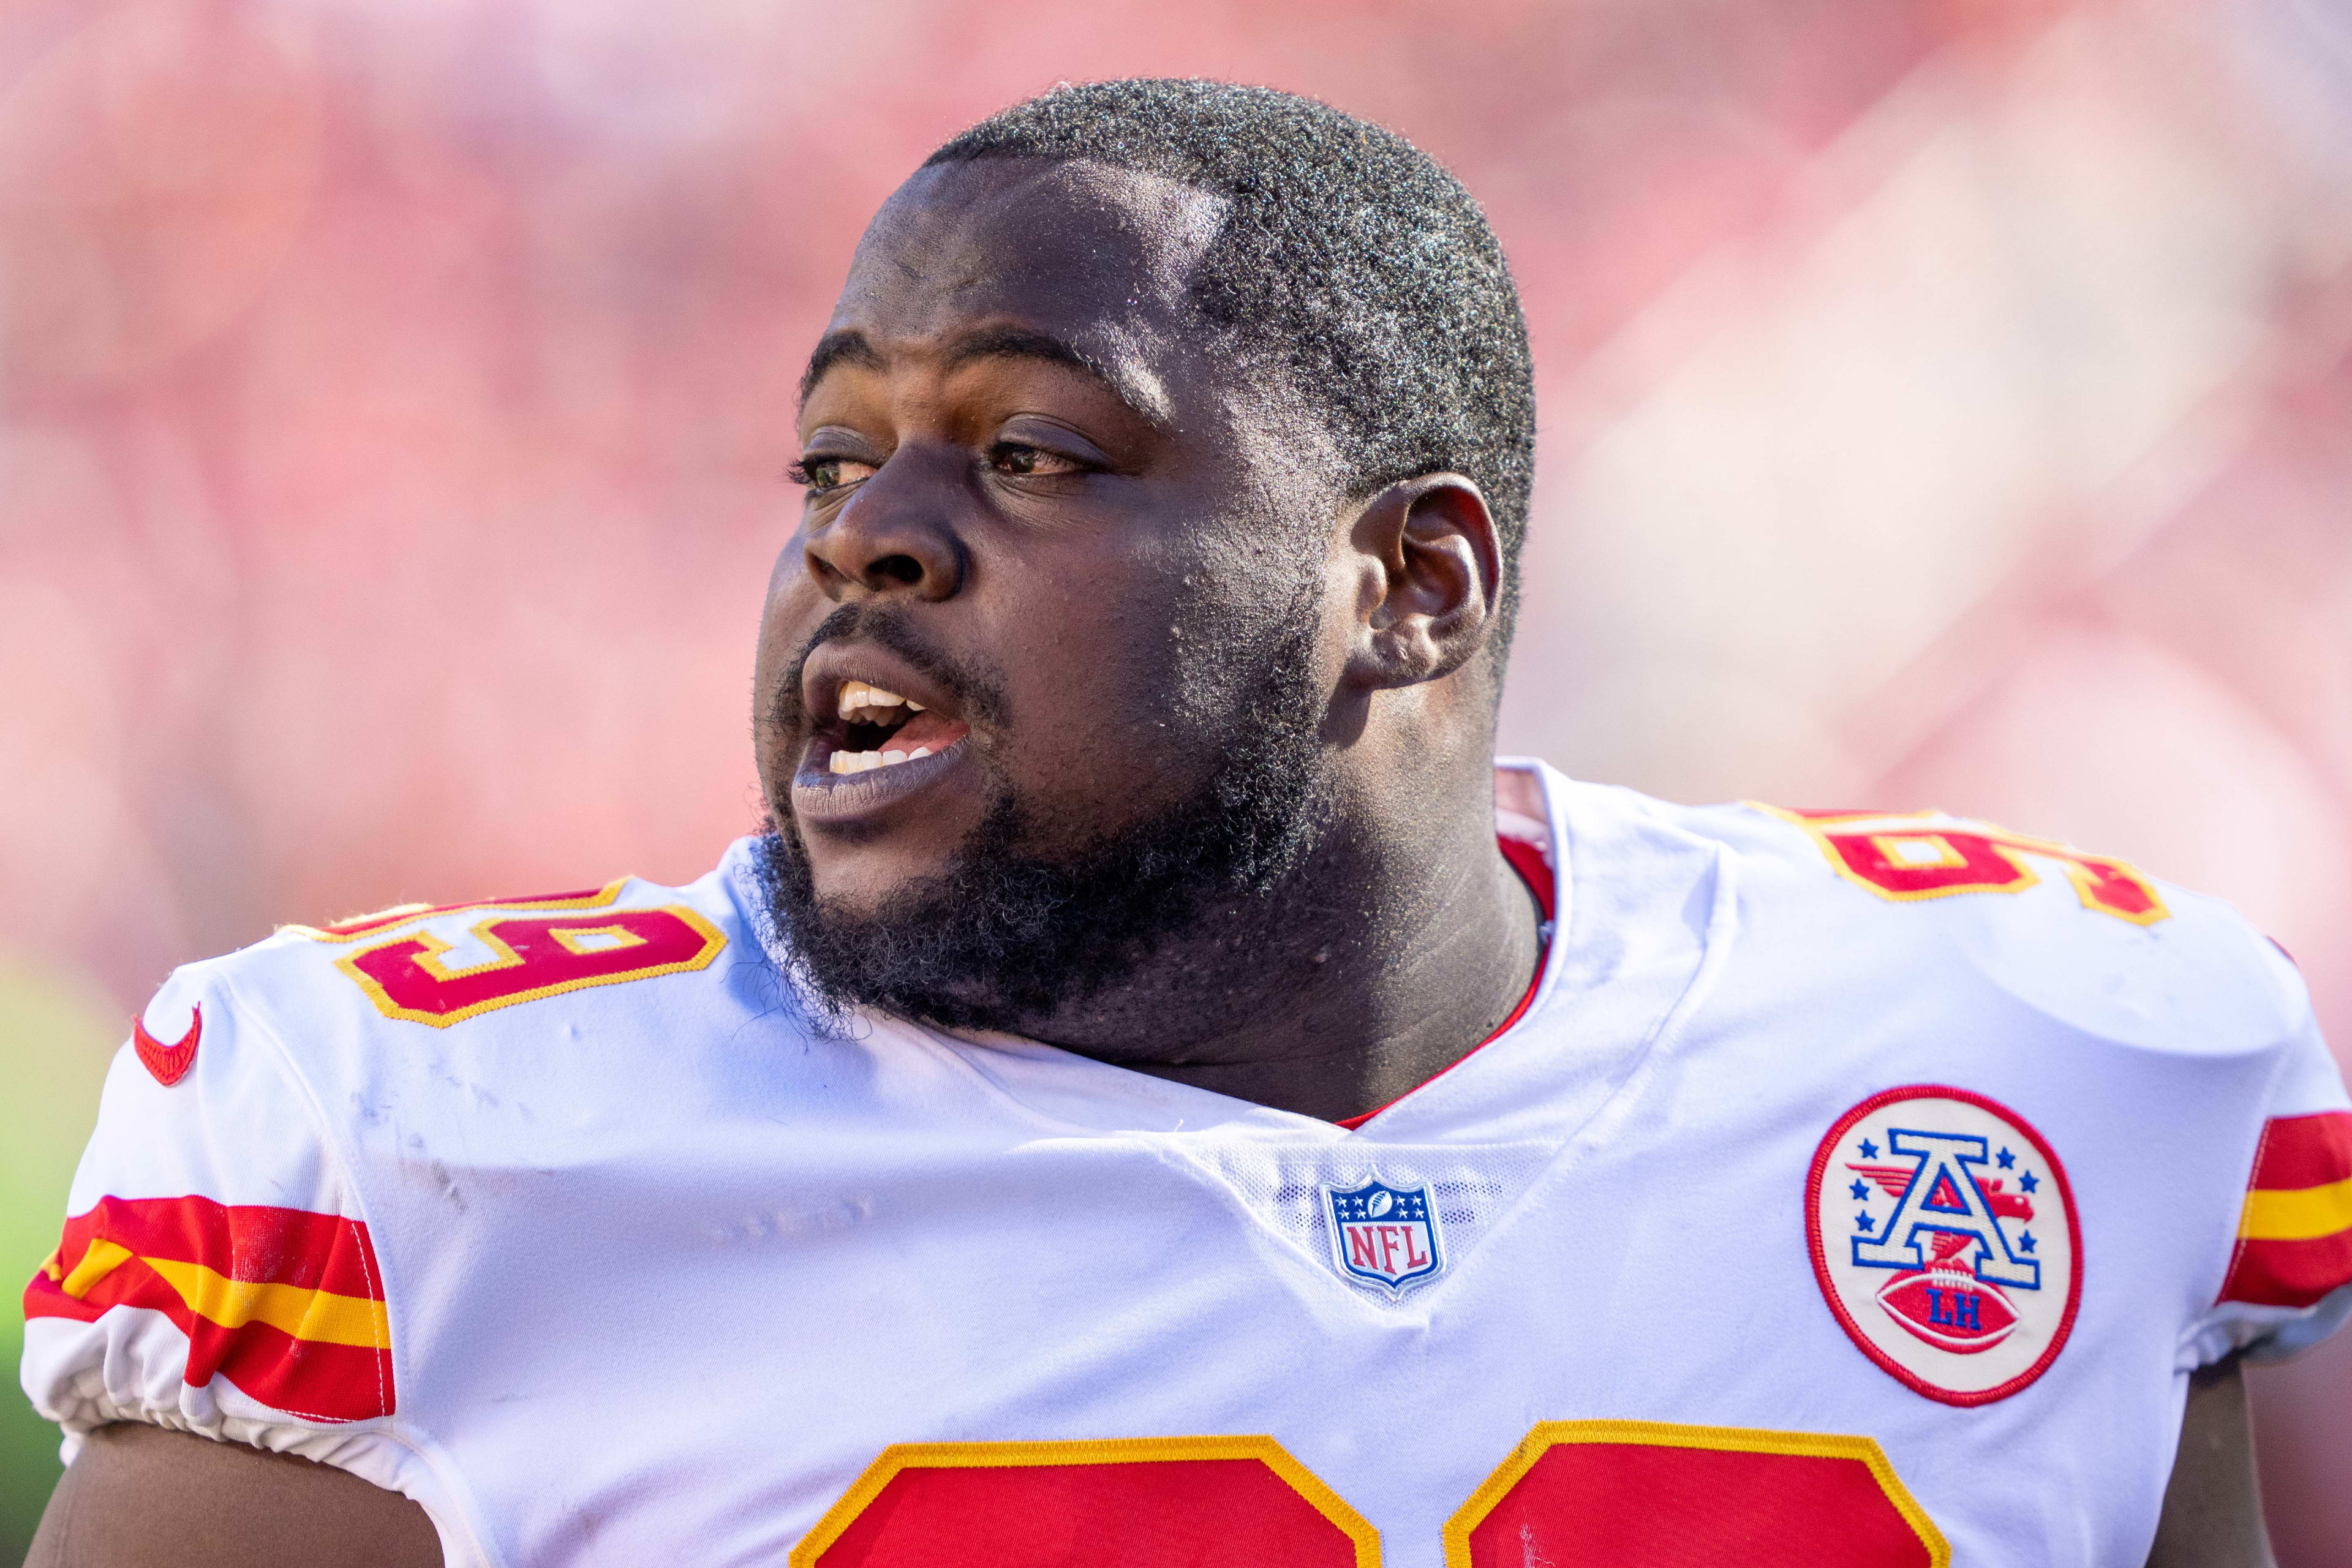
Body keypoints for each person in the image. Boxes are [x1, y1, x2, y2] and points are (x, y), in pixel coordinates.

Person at [20, 78, 2351, 1568]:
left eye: (1033, 451)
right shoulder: (430, 1147)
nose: (870, 541)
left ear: (1409, 585)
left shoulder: (2052, 1059)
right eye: (837, 462)